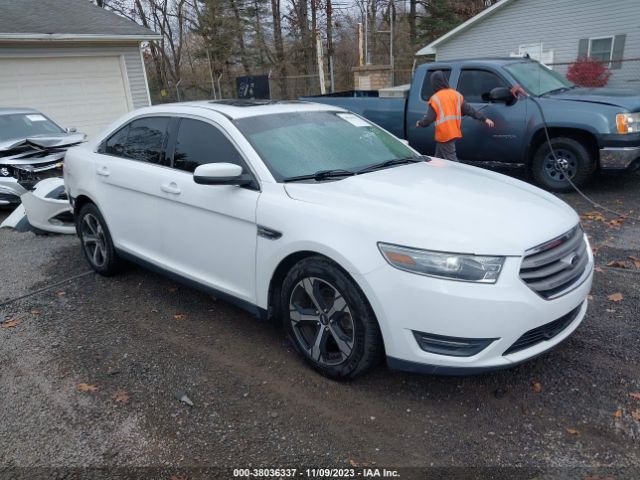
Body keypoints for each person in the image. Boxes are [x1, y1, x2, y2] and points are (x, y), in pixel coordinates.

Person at [415, 70, 495, 162]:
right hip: (453, 132)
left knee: (452, 162)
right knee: (438, 159)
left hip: (445, 135)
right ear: (445, 80)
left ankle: (457, 175)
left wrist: (420, 123)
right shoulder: (456, 95)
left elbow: (429, 119)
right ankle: (437, 174)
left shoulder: (435, 98)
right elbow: (469, 110)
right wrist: (484, 119)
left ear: (434, 83)